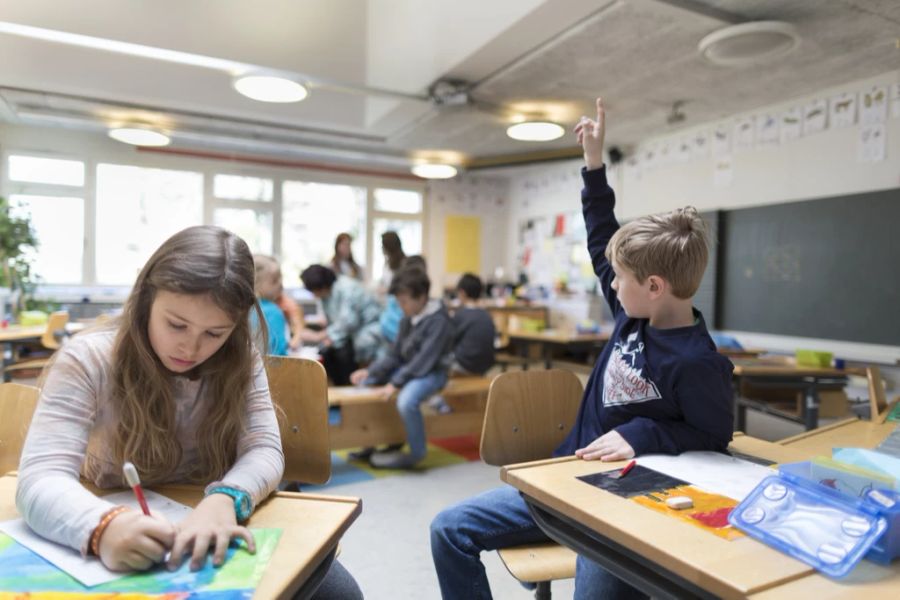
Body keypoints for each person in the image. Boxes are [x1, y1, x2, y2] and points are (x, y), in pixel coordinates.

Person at [430, 98, 734, 599]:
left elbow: (713, 434)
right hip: (567, 482)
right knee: (449, 530)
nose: (611, 285)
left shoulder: (699, 362)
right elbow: (602, 241)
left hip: (624, 501)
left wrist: (643, 432)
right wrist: (594, 167)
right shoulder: (631, 314)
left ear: (654, 286)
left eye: (621, 279)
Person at [16, 226, 361, 599]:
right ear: (146, 298)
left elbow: (263, 448)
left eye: (215, 333)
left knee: (341, 595)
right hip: (110, 518)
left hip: (210, 515)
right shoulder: (89, 359)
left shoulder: (240, 360)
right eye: (176, 324)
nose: (191, 347)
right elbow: (41, 477)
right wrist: (101, 527)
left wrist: (226, 499)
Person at [349, 266, 453, 469]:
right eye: (398, 301)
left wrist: (395, 383)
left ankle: (416, 453)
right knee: (366, 384)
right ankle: (369, 442)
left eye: (404, 301)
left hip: (433, 372)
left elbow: (424, 361)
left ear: (422, 297)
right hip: (410, 370)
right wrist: (370, 371)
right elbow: (395, 355)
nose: (401, 306)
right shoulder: (408, 319)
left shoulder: (439, 322)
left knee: (406, 401)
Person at [300, 264, 383, 385]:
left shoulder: (347, 288)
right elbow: (334, 322)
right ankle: (337, 388)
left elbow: (348, 323)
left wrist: (319, 336)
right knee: (325, 352)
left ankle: (347, 387)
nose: (313, 295)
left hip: (368, 330)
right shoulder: (326, 295)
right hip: (351, 332)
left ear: (321, 287)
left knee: (342, 353)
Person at [450, 273, 496, 376]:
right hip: (485, 366)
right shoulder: (486, 315)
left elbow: (450, 340)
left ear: (462, 293)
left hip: (465, 365)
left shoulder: (461, 314)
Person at [252, 255, 289, 356]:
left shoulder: (239, 309)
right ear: (255, 282)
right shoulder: (274, 312)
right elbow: (279, 352)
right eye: (274, 281)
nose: (281, 284)